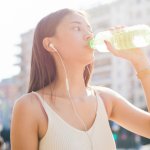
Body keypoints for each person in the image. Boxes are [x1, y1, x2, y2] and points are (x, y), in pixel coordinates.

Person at [10, 8, 150, 150]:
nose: (89, 35)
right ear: (49, 44)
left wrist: (141, 62)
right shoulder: (30, 107)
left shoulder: (105, 99)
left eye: (89, 29)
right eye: (77, 28)